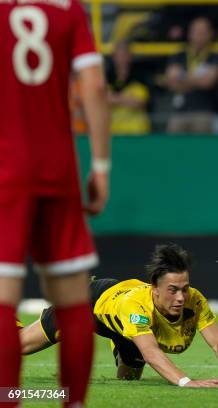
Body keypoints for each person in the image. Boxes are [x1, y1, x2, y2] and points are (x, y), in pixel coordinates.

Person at [0, 1, 111, 406]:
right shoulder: (70, 10)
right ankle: (73, 402)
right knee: (72, 301)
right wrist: (100, 166)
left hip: (6, 169)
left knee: (3, 296)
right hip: (59, 168)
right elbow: (94, 86)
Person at [20, 243, 218, 388]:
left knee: (128, 382)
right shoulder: (136, 307)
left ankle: (120, 342)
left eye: (184, 288)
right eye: (172, 290)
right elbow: (150, 352)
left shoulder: (194, 299)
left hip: (124, 323)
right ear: (155, 288)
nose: (180, 297)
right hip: (89, 302)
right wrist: (187, 382)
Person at [164, 17, 218, 134]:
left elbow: (208, 82)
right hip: (180, 111)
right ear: (189, 34)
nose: (199, 35)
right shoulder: (179, 55)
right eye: (196, 31)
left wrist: (182, 77)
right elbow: (171, 81)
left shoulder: (215, 57)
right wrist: (197, 80)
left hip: (204, 112)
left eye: (203, 32)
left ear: (210, 34)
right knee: (172, 140)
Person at [107, 41, 151, 135]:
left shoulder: (140, 76)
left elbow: (139, 103)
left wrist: (114, 99)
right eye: (118, 54)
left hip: (136, 131)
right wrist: (126, 99)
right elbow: (102, 101)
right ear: (113, 57)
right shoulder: (107, 77)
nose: (121, 58)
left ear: (130, 56)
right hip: (113, 132)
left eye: (124, 54)